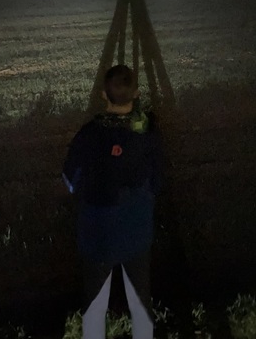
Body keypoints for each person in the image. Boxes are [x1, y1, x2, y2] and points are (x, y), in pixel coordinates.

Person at [62, 64, 163, 339]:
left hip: (97, 237)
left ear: (104, 95)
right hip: (136, 233)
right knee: (141, 304)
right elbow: (157, 180)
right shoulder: (148, 133)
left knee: (95, 307)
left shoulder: (88, 134)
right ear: (137, 93)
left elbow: (70, 179)